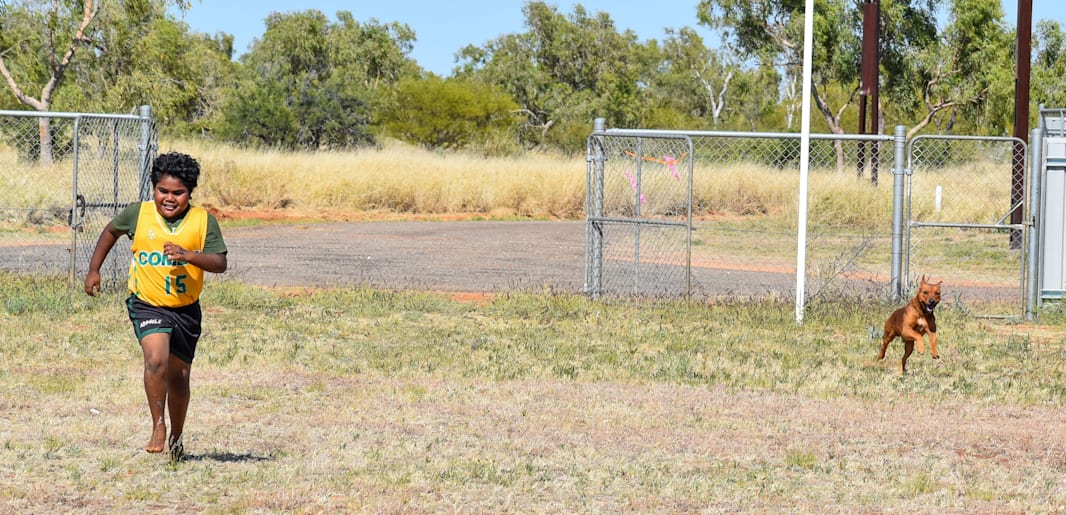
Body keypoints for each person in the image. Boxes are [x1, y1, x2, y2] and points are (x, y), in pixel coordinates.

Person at [84, 152, 228, 459]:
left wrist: (189, 255)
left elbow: (219, 263)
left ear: (190, 193)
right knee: (156, 359)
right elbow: (111, 231)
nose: (169, 198)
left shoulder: (203, 220)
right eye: (163, 191)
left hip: (186, 310)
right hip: (148, 304)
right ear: (154, 189)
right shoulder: (139, 213)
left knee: (179, 377)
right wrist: (94, 270)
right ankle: (158, 424)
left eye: (178, 193)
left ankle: (177, 438)